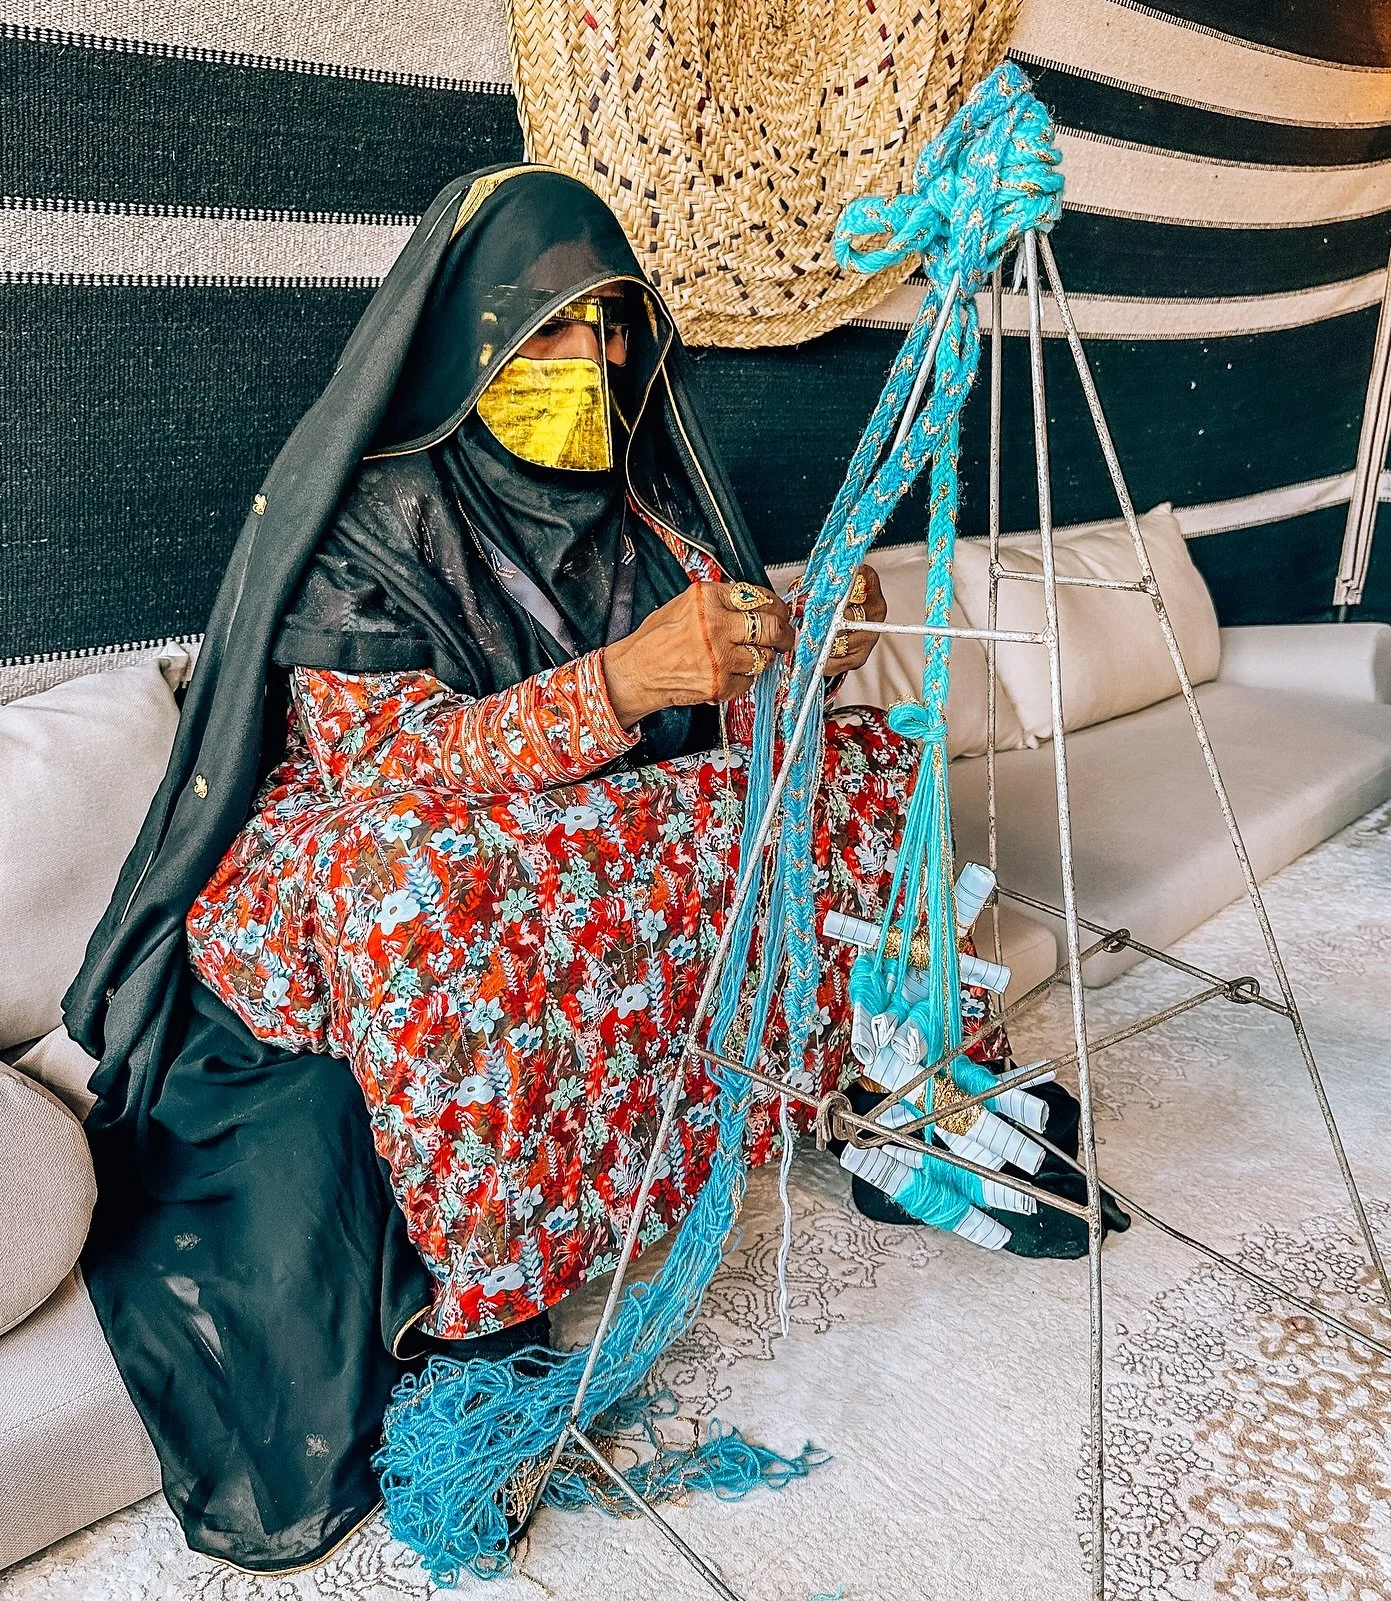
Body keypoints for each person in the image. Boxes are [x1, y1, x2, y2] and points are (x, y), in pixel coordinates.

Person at [63, 165, 1102, 1576]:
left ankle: (899, 1085)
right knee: (427, 889)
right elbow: (390, 769)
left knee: (862, 766)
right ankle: (490, 1317)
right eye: (544, 331)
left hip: (570, 835)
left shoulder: (644, 511)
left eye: (606, 330)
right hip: (375, 854)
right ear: (467, 341)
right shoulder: (369, 523)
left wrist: (794, 649)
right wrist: (623, 679)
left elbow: (715, 739)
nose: (585, 363)